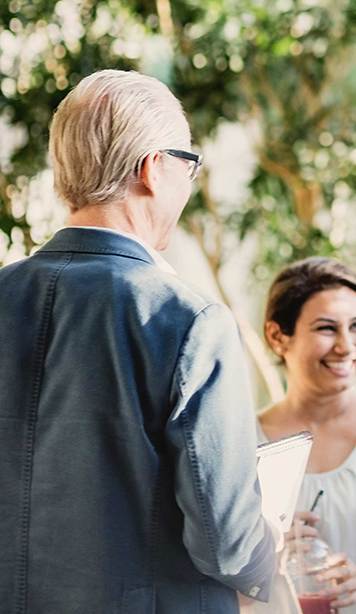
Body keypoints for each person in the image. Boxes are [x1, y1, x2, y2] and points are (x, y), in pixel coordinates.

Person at [0, 70, 277, 612]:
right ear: (153, 168)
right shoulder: (189, 320)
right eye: (188, 166)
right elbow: (227, 543)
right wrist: (272, 547)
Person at [255, 257, 356, 612]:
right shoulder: (242, 442)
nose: (346, 346)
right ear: (278, 336)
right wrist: (261, 542)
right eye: (327, 328)